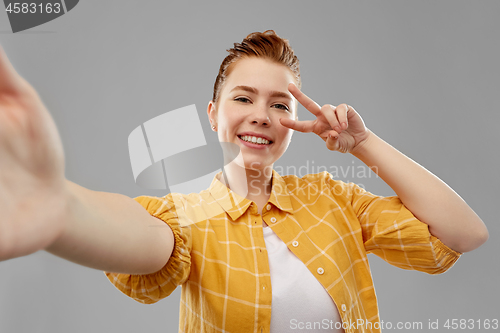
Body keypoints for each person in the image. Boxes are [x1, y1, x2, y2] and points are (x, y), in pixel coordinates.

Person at [0, 30, 488, 333]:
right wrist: (61, 209)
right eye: (243, 99)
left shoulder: (335, 199)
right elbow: (142, 237)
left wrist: (361, 144)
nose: (261, 116)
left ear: (295, 123)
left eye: (280, 105)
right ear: (213, 114)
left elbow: (464, 234)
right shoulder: (187, 216)